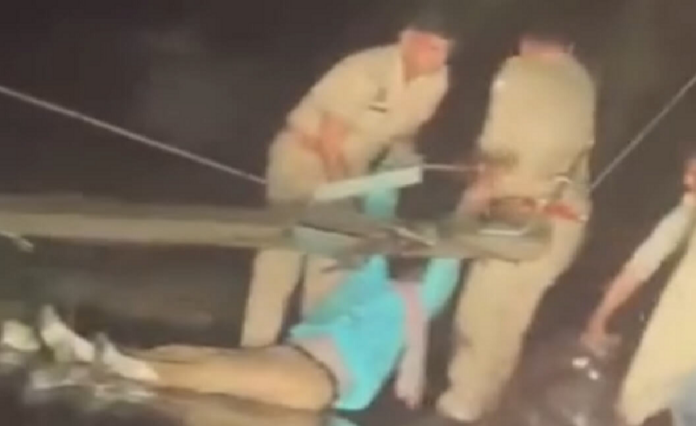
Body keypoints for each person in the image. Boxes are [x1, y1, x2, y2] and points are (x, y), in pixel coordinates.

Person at [241, 4, 456, 348]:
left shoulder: (436, 80)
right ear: (407, 40)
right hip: (305, 160)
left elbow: (405, 132)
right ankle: (255, 345)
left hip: (353, 167)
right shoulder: (365, 69)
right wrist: (343, 195)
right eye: (432, 47)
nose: (438, 57)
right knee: (283, 255)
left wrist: (399, 164)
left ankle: (312, 349)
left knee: (330, 262)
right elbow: (329, 140)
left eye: (445, 50)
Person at [10, 253, 461, 413]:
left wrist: (475, 201)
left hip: (315, 380)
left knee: (212, 373)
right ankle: (83, 352)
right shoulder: (373, 283)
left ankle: (104, 361)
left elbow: (446, 263)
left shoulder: (416, 305)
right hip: (294, 356)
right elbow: (379, 211)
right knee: (194, 354)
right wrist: (396, 158)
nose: (416, 268)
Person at [420, 23, 597, 425]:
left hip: (522, 220)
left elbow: (498, 158)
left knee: (479, 317)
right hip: (567, 223)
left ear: (523, 40)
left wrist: (465, 212)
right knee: (511, 319)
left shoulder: (519, 72)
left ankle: (459, 410)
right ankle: (488, 403)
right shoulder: (580, 79)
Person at [581, 152, 696, 426]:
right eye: (688, 172)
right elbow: (639, 266)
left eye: (695, 174)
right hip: (660, 368)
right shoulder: (686, 215)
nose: (686, 181)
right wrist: (599, 319)